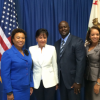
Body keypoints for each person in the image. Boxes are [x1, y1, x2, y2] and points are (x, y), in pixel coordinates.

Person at [54, 21, 86, 100]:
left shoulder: (77, 41)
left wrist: (78, 81)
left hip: (73, 81)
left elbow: (81, 62)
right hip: (61, 81)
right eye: (61, 27)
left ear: (69, 28)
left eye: (65, 27)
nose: (63, 29)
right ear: (58, 29)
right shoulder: (56, 44)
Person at [1, 28, 33, 100]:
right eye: (18, 38)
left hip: (26, 89)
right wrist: (9, 92)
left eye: (23, 38)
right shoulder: (7, 54)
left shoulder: (27, 52)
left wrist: (31, 85)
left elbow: (30, 70)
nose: (21, 40)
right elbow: (5, 75)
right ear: (13, 39)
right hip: (14, 91)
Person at [29, 28, 58, 100]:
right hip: (36, 81)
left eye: (44, 37)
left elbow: (55, 66)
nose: (43, 40)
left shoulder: (52, 48)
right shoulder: (31, 49)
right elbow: (30, 67)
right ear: (36, 38)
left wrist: (57, 82)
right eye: (40, 37)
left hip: (50, 81)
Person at [85, 26, 100, 100]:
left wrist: (98, 83)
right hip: (87, 78)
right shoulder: (87, 46)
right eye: (93, 34)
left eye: (97, 34)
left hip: (96, 79)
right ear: (89, 36)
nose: (95, 36)